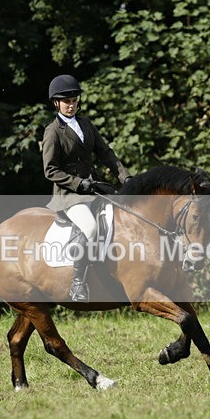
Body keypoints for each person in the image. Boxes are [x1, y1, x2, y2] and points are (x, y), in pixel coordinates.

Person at [42, 74, 132, 302]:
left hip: (93, 188)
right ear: (56, 103)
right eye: (66, 101)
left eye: (74, 100)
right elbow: (50, 170)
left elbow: (105, 153)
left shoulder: (86, 124)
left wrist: (125, 177)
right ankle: (77, 283)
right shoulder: (53, 132)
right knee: (91, 228)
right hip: (70, 195)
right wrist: (78, 184)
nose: (71, 105)